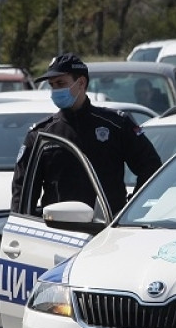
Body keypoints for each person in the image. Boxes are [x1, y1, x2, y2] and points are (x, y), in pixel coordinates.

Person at [11, 53, 162, 215]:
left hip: (108, 227)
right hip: (57, 230)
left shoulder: (115, 125)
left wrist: (132, 210)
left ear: (81, 82)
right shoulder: (42, 134)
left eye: (61, 83)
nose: (56, 90)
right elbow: (22, 190)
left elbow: (150, 167)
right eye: (52, 85)